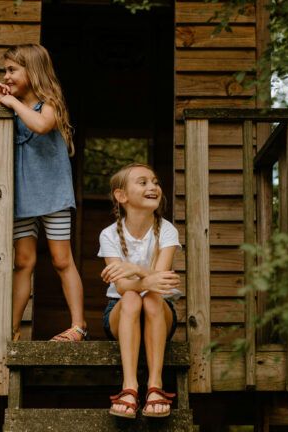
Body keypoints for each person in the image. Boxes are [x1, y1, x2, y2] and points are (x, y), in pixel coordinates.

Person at [0, 44, 86, 342]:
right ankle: (11, 330)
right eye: (5, 70)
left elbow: (40, 125)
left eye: (12, 70)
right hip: (21, 198)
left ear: (33, 71)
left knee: (62, 260)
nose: (6, 76)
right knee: (23, 262)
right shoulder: (9, 107)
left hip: (53, 196)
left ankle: (78, 326)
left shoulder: (49, 103)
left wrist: (12, 104)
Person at [98, 163, 183, 419]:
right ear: (121, 196)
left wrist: (133, 268)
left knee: (153, 299)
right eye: (143, 182)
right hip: (121, 311)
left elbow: (164, 281)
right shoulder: (109, 234)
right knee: (134, 298)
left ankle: (155, 385)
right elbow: (122, 288)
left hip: (159, 312)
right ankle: (130, 386)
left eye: (155, 182)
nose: (153, 187)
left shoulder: (167, 230)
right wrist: (146, 280)